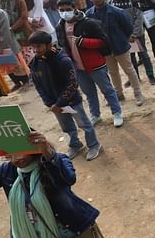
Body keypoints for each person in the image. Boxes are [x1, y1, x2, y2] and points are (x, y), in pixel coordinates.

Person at [28, 31, 102, 161]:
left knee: (84, 124)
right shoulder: (35, 63)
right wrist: (49, 103)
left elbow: (73, 84)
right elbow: (38, 84)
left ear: (49, 45)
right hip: (54, 104)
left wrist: (60, 102)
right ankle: (75, 145)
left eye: (38, 46)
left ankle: (94, 144)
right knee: (67, 127)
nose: (35, 50)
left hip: (71, 101)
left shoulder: (63, 60)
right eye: (33, 47)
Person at [55, 0, 124, 127]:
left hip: (95, 65)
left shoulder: (88, 23)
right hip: (77, 67)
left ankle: (117, 113)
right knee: (89, 93)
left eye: (68, 9)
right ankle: (95, 115)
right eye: (62, 10)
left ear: (75, 8)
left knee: (107, 90)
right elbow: (62, 45)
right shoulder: (60, 26)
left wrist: (84, 42)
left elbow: (103, 41)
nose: (65, 13)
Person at [85, 0, 145, 105]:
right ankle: (119, 93)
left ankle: (138, 93)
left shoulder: (117, 12)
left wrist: (123, 39)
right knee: (113, 72)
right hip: (105, 49)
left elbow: (128, 28)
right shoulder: (89, 14)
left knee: (129, 70)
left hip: (120, 46)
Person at [109, 0, 155, 85]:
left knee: (143, 54)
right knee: (130, 57)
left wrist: (134, 33)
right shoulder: (111, 3)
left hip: (136, 35)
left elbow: (139, 18)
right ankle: (135, 78)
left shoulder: (133, 0)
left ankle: (150, 75)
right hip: (123, 36)